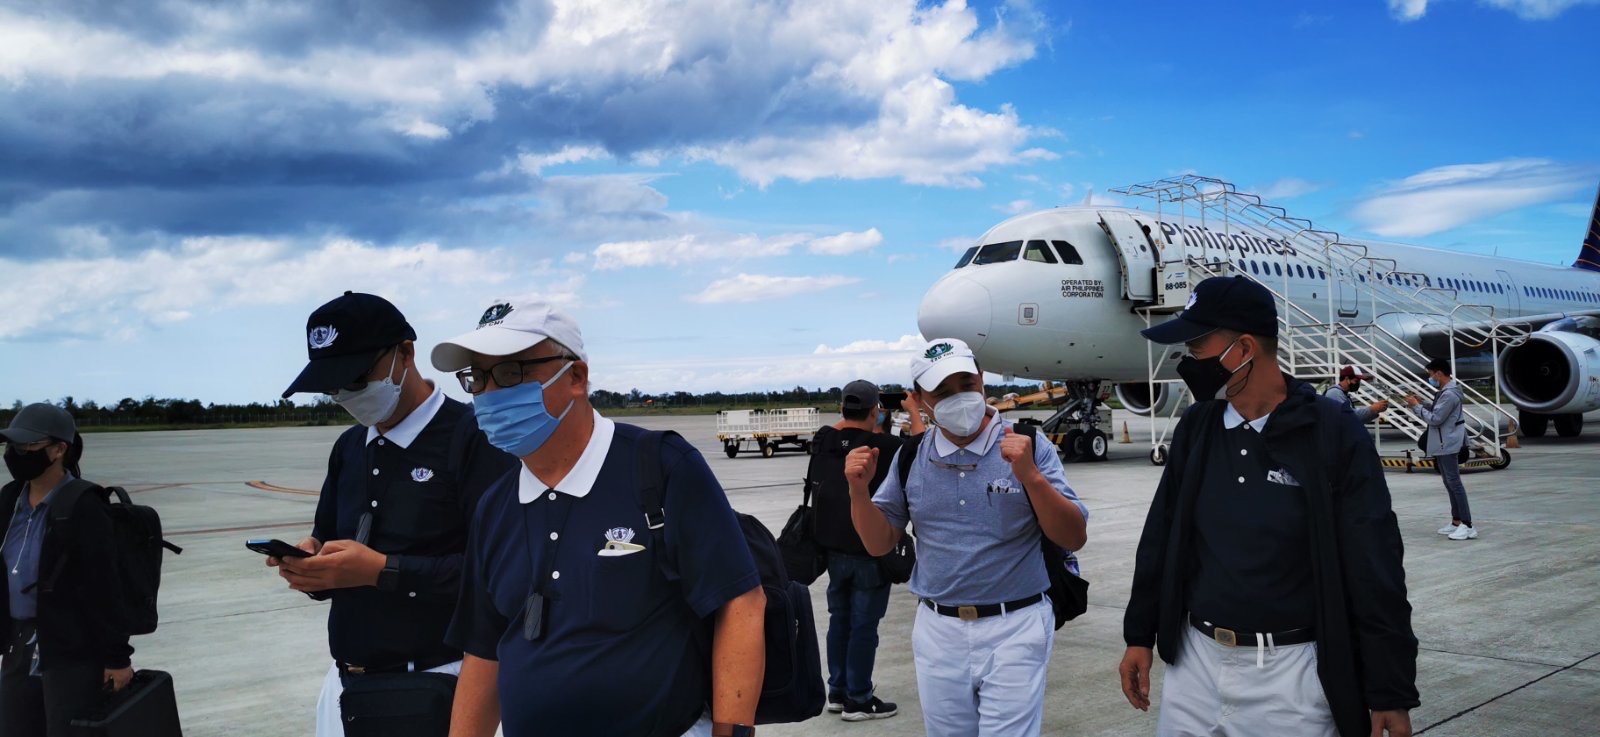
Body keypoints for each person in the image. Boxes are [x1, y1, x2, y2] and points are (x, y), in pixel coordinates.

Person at [436, 298, 766, 737]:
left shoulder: (661, 468)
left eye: (512, 372)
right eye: (477, 378)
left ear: (576, 376)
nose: (491, 394)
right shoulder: (494, 506)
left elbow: (740, 602)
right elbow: (484, 650)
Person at [1118, 275, 1418, 737]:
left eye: (1196, 345)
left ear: (1242, 349)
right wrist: (1139, 635)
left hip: (1291, 677)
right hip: (1195, 666)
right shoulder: (1197, 428)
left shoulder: (1331, 431)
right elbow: (1161, 535)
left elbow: (1374, 565)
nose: (1187, 360)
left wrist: (1389, 690)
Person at [273, 291, 516, 737]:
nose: (347, 394)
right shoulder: (349, 447)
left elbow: (500, 577)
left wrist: (383, 571)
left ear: (406, 352)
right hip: (347, 686)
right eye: (333, 385)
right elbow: (326, 537)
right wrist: (313, 566)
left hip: (441, 683)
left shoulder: (475, 439)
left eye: (358, 377)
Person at [844, 338, 1088, 737]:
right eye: (942, 392)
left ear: (982, 379)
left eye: (966, 384)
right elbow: (879, 543)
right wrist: (858, 492)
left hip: (1016, 624)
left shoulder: (1029, 443)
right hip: (939, 630)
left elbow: (1073, 535)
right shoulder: (911, 456)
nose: (959, 398)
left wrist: (1031, 477)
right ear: (920, 400)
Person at [0, 403, 132, 737]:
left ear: (60, 449)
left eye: (28, 446)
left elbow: (105, 588)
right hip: (19, 644)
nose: (17, 454)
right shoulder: (8, 498)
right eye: (12, 446)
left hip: (69, 651)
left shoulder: (84, 505)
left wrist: (117, 657)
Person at [810, 380, 903, 721]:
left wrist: (853, 419)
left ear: (841, 410)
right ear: (876, 411)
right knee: (864, 625)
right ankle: (860, 699)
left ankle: (837, 690)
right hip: (868, 550)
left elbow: (838, 429)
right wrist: (912, 411)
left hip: (833, 550)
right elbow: (921, 445)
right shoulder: (886, 445)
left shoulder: (824, 439)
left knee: (840, 619)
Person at [1406, 358, 1475, 540]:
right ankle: (1456, 521)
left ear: (1439, 373)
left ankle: (1467, 525)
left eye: (1430, 374)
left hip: (1448, 443)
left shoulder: (1449, 394)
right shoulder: (1445, 392)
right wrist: (1424, 404)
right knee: (1449, 482)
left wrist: (1416, 407)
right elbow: (1439, 411)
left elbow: (1435, 419)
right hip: (1444, 442)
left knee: (1454, 483)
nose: (1430, 378)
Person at [1324, 365, 1389, 422]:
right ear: (1347, 379)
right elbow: (1348, 417)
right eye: (1356, 381)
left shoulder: (1342, 394)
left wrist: (1375, 410)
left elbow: (1353, 417)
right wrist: (1373, 409)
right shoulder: (1335, 393)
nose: (1358, 384)